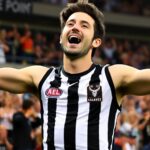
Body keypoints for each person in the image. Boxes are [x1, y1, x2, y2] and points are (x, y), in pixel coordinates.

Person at [0, 1, 150, 150]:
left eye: (84, 25)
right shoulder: (42, 77)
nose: (75, 27)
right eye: (70, 24)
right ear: (61, 37)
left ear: (96, 42)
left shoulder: (112, 77)